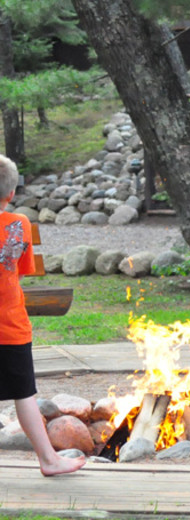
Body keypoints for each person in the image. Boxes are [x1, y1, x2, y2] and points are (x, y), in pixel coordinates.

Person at [0, 154, 85, 476]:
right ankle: (49, 460)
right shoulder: (19, 225)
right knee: (24, 394)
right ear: (11, 194)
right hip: (9, 327)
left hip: (9, 327)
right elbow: (19, 275)